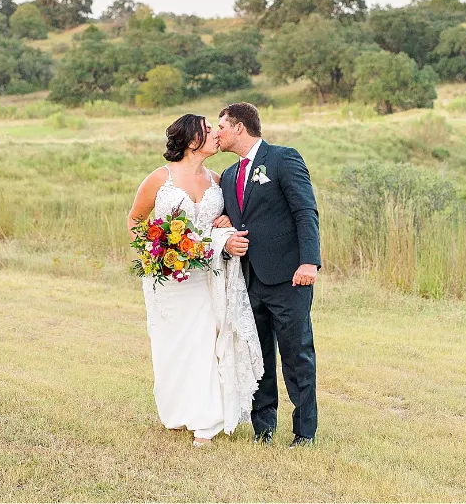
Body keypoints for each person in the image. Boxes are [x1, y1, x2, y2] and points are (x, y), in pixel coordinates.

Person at [127, 114, 263, 446]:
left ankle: (207, 419)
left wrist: (228, 219)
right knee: (171, 345)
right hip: (169, 278)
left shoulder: (219, 180)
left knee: (205, 342)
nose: (217, 134)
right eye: (208, 131)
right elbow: (135, 219)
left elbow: (230, 218)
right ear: (191, 141)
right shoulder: (160, 179)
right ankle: (178, 410)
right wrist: (151, 253)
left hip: (207, 275)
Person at [216, 102, 321, 448]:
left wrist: (309, 262)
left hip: (290, 277)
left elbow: (305, 211)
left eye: (222, 126)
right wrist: (228, 227)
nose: (217, 133)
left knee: (296, 353)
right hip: (248, 280)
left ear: (240, 128)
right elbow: (239, 217)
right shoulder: (230, 175)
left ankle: (304, 432)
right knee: (257, 354)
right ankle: (264, 428)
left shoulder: (283, 158)